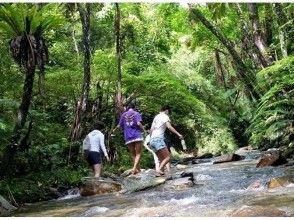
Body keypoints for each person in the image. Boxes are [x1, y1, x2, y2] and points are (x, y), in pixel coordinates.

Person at [112, 102, 145, 175]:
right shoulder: (136, 113)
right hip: (137, 135)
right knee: (138, 153)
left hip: (128, 136)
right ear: (134, 107)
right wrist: (143, 129)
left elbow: (119, 125)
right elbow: (139, 123)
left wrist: (114, 131)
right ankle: (134, 168)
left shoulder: (123, 115)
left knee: (133, 154)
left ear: (127, 107)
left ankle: (138, 169)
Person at [150, 105, 183, 176]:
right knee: (168, 157)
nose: (169, 113)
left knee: (161, 159)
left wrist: (151, 139)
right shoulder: (165, 116)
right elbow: (169, 127)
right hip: (158, 139)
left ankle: (159, 173)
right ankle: (159, 170)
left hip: (152, 140)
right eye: (169, 111)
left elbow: (151, 129)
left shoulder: (156, 117)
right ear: (166, 110)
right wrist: (178, 134)